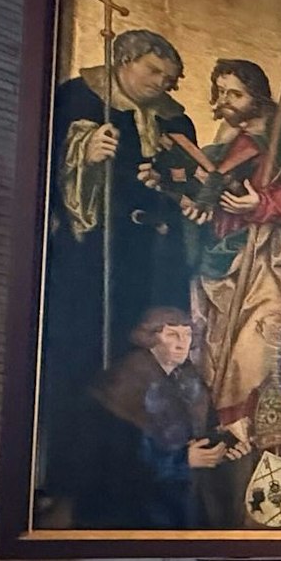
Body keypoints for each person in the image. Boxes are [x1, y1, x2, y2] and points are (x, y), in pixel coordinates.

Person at [42, 28, 200, 514]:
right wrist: (82, 154)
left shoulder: (176, 120)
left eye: (170, 78)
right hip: (94, 259)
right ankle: (77, 471)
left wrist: (172, 186)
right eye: (153, 71)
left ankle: (147, 467)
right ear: (123, 60)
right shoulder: (76, 98)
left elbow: (190, 184)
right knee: (86, 355)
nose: (162, 84)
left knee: (149, 362)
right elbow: (40, 166)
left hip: (155, 259)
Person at [188, 58, 281, 466]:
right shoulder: (225, 142)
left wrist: (262, 203)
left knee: (268, 336)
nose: (226, 101)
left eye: (236, 93)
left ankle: (275, 437)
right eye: (221, 92)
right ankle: (233, 439)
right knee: (218, 354)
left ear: (257, 93)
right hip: (222, 260)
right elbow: (206, 194)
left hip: (268, 254)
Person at [78, 306, 245, 529]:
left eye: (187, 334)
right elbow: (114, 461)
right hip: (135, 512)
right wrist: (182, 462)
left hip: (181, 503)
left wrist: (225, 446)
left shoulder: (189, 378)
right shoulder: (125, 382)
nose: (181, 342)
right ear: (150, 338)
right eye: (172, 334)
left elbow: (202, 432)